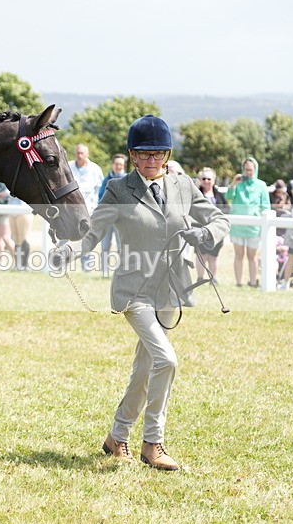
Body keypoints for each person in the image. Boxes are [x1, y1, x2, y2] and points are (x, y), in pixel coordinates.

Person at [59, 115, 230, 470]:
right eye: (143, 154)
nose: (151, 161)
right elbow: (92, 233)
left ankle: (117, 436)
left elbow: (219, 219)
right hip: (134, 289)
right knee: (166, 360)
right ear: (132, 156)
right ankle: (153, 442)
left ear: (166, 155)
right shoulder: (119, 190)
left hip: (171, 287)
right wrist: (69, 250)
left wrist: (206, 234)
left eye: (158, 154)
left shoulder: (184, 187)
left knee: (145, 366)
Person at [225, 157, 270, 287]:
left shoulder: (261, 185)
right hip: (238, 225)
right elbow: (228, 197)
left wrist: (264, 225)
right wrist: (233, 184)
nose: (248, 172)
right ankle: (238, 282)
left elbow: (266, 205)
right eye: (246, 170)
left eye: (250, 170)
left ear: (255, 170)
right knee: (238, 255)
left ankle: (253, 281)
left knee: (252, 255)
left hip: (254, 226)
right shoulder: (238, 184)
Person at [68, 144, 104, 271]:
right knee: (65, 236)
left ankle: (87, 267)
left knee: (86, 237)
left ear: (87, 154)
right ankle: (60, 264)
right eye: (77, 153)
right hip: (70, 210)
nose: (79, 155)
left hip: (89, 209)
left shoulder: (95, 169)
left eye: (82, 153)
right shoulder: (68, 166)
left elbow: (101, 191)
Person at [195, 167, 229, 283]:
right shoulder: (196, 193)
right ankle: (200, 278)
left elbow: (226, 209)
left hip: (216, 230)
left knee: (213, 256)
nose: (206, 181)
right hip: (200, 228)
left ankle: (212, 278)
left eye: (209, 179)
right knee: (202, 255)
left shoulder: (219, 195)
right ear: (200, 180)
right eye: (203, 178)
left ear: (213, 180)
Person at [98, 154, 128, 277]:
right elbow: (100, 196)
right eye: (116, 164)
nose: (118, 166)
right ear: (113, 165)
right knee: (105, 245)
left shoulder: (128, 179)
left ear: (124, 166)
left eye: (120, 164)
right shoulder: (107, 179)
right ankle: (105, 272)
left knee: (121, 246)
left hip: (122, 219)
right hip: (107, 218)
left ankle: (121, 272)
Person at [8, 195, 33, 271]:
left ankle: (24, 265)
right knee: (16, 239)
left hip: (23, 208)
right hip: (11, 208)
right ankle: (17, 265)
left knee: (23, 238)